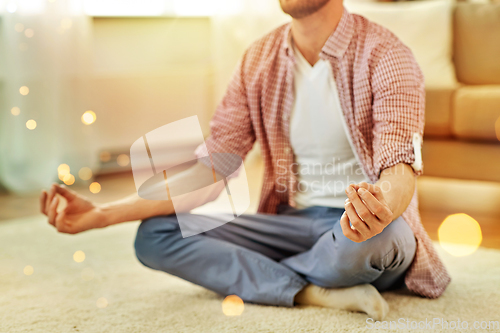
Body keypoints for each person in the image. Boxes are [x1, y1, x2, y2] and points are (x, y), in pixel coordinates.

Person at [40, 0, 451, 321]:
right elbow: (212, 168)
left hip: (364, 232)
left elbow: (400, 168)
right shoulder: (258, 59)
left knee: (370, 243)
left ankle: (260, 276)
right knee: (155, 236)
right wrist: (103, 213)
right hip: (289, 223)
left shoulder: (387, 54)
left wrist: (378, 209)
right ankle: (309, 291)